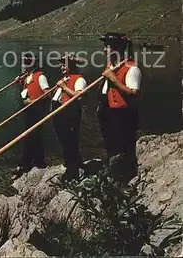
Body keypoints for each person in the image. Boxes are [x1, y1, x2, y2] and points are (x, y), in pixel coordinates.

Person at [97, 32, 142, 182]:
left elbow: (133, 93)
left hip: (122, 113)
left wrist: (113, 79)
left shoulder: (131, 68)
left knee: (123, 145)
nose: (104, 50)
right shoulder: (111, 66)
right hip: (107, 110)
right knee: (110, 143)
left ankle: (126, 178)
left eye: (107, 47)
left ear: (117, 48)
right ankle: (112, 173)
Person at [13, 53, 51, 177]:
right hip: (29, 111)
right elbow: (27, 91)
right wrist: (20, 83)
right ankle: (26, 163)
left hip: (37, 111)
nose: (22, 65)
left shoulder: (40, 77)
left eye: (24, 63)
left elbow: (47, 94)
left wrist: (32, 102)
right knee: (28, 136)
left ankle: (38, 163)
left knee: (35, 136)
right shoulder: (27, 77)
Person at [51, 55, 87, 181]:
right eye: (61, 65)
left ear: (71, 66)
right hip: (59, 112)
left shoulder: (79, 79)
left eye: (64, 65)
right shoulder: (64, 79)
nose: (61, 67)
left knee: (70, 141)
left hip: (70, 113)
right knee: (64, 140)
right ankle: (72, 163)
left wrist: (64, 87)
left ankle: (73, 170)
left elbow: (79, 96)